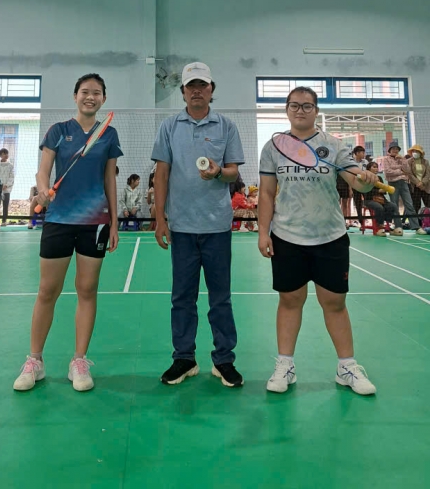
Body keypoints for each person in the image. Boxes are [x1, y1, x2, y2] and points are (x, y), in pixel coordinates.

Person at [258, 86, 378, 396]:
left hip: (330, 236)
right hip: (287, 236)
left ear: (316, 110)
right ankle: (285, 365)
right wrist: (263, 232)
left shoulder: (334, 145)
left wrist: (366, 181)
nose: (300, 110)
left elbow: (355, 180)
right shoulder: (273, 147)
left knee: (334, 303)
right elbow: (267, 193)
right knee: (290, 301)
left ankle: (346, 367)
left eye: (307, 105)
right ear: (287, 109)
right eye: (294, 105)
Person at [13, 73, 122, 393]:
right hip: (59, 219)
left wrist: (114, 221)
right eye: (85, 91)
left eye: (97, 93)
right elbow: (43, 170)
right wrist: (43, 190)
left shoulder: (108, 133)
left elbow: (110, 179)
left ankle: (79, 360)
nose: (90, 97)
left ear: (103, 99)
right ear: (75, 96)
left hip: (95, 221)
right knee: (47, 290)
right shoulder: (58, 131)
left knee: (87, 289)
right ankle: (35, 361)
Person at [152, 61, 245, 388]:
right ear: (182, 92)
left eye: (202, 85)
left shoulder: (226, 126)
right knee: (182, 297)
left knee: (220, 298)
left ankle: (224, 360)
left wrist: (219, 172)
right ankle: (184, 358)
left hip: (217, 227)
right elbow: (161, 175)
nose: (196, 91)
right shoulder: (168, 127)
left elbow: (233, 173)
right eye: (190, 86)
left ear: (211, 90)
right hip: (181, 227)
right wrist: (160, 218)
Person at [383, 142, 419, 231]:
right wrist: (401, 171)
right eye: (393, 149)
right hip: (392, 184)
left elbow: (408, 170)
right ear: (389, 150)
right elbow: (388, 172)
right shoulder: (386, 159)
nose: (395, 150)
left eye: (397, 149)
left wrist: (402, 160)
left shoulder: (402, 159)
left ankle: (415, 226)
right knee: (394, 205)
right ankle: (398, 226)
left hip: (403, 183)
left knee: (409, 204)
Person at [362, 160, 403, 237]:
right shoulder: (366, 178)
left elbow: (383, 191)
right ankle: (379, 228)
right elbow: (365, 192)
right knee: (379, 207)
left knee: (393, 206)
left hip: (381, 199)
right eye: (374, 167)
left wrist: (384, 190)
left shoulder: (379, 178)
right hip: (369, 200)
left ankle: (397, 227)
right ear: (369, 169)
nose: (376, 169)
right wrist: (378, 191)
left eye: (377, 167)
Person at [405, 145, 430, 229]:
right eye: (413, 151)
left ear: (421, 153)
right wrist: (417, 183)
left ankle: (428, 222)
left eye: (417, 151)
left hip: (425, 187)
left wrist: (422, 183)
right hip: (414, 187)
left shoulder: (426, 162)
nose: (415, 153)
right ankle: (417, 224)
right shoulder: (408, 161)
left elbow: (428, 174)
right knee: (416, 205)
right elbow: (410, 174)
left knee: (428, 204)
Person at [0, 148, 15, 226]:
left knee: (5, 205)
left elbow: (12, 177)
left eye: (7, 153)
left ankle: (4, 221)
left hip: (7, 189)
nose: (6, 155)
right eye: (4, 154)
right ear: (0, 155)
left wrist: (6, 185)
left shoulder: (10, 166)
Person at [348, 146, 368, 224]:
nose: (364, 154)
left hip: (365, 185)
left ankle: (370, 218)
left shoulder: (365, 162)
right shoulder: (351, 163)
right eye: (362, 153)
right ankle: (361, 221)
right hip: (355, 185)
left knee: (368, 201)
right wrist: (350, 189)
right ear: (357, 153)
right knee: (358, 203)